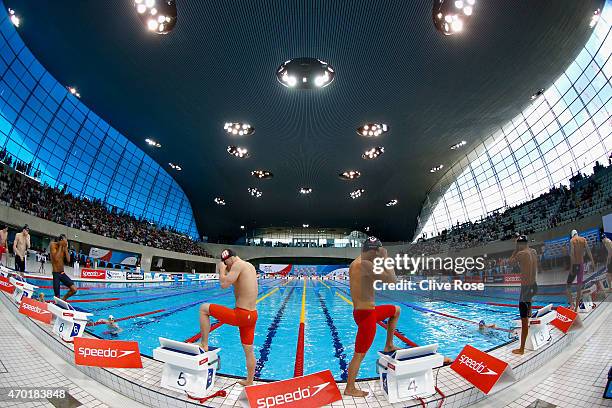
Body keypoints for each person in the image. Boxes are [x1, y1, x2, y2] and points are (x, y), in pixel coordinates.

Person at [345, 237, 400, 397]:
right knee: (359, 355)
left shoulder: (357, 262)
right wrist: (386, 259)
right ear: (373, 251)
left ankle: (389, 344)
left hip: (365, 311)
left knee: (396, 310)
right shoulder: (365, 265)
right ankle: (349, 388)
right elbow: (393, 280)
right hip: (367, 316)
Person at [198, 249, 258, 386]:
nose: (227, 266)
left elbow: (224, 285)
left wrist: (221, 270)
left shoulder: (237, 265)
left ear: (229, 259)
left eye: (226, 263)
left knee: (203, 309)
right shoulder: (249, 266)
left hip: (241, 315)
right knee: (249, 350)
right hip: (252, 315)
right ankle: (249, 381)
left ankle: (204, 343)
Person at [508, 235, 538, 355]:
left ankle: (522, 349)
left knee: (524, 320)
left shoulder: (521, 254)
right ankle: (530, 313)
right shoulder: (534, 252)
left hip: (525, 289)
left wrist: (516, 248)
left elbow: (510, 262)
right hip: (534, 286)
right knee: (528, 313)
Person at [566, 229, 594, 311]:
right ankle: (576, 309)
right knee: (579, 288)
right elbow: (588, 251)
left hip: (575, 265)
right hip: (581, 265)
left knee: (568, 286)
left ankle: (572, 305)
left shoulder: (572, 240)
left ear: (572, 235)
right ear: (577, 234)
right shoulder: (583, 239)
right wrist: (592, 261)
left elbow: (572, 254)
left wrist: (571, 267)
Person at [50, 234, 78, 301]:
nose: (65, 243)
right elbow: (56, 259)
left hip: (62, 273)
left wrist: (65, 248)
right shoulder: (53, 245)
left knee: (74, 289)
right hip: (56, 274)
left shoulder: (63, 247)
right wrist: (60, 246)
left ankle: (63, 299)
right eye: (64, 241)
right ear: (60, 240)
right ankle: (58, 302)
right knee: (57, 296)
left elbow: (68, 260)